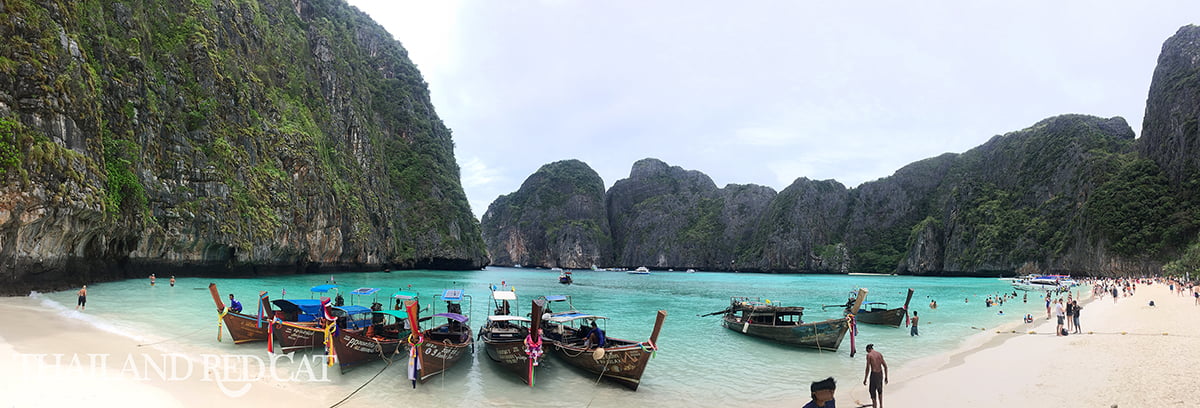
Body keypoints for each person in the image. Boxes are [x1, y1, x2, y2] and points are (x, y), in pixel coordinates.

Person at [863, 344, 888, 408]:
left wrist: (865, 378)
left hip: (874, 375)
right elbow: (885, 366)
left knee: (872, 391)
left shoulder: (869, 355)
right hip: (880, 374)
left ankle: (875, 406)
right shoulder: (879, 354)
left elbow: (867, 368)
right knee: (880, 390)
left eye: (867, 351)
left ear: (868, 349)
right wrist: (886, 377)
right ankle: (881, 406)